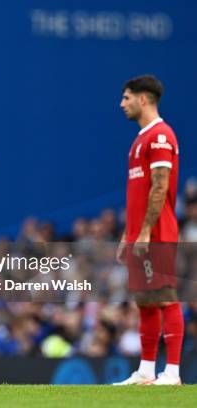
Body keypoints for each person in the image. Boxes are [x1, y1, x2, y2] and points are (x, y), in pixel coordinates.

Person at [114, 75, 183, 385]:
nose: (122, 104)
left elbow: (160, 187)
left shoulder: (161, 136)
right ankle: (146, 371)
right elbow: (138, 194)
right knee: (144, 299)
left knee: (166, 296)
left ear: (143, 99)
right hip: (140, 233)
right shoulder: (140, 139)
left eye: (126, 97)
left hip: (158, 232)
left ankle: (172, 372)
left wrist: (144, 232)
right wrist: (127, 234)